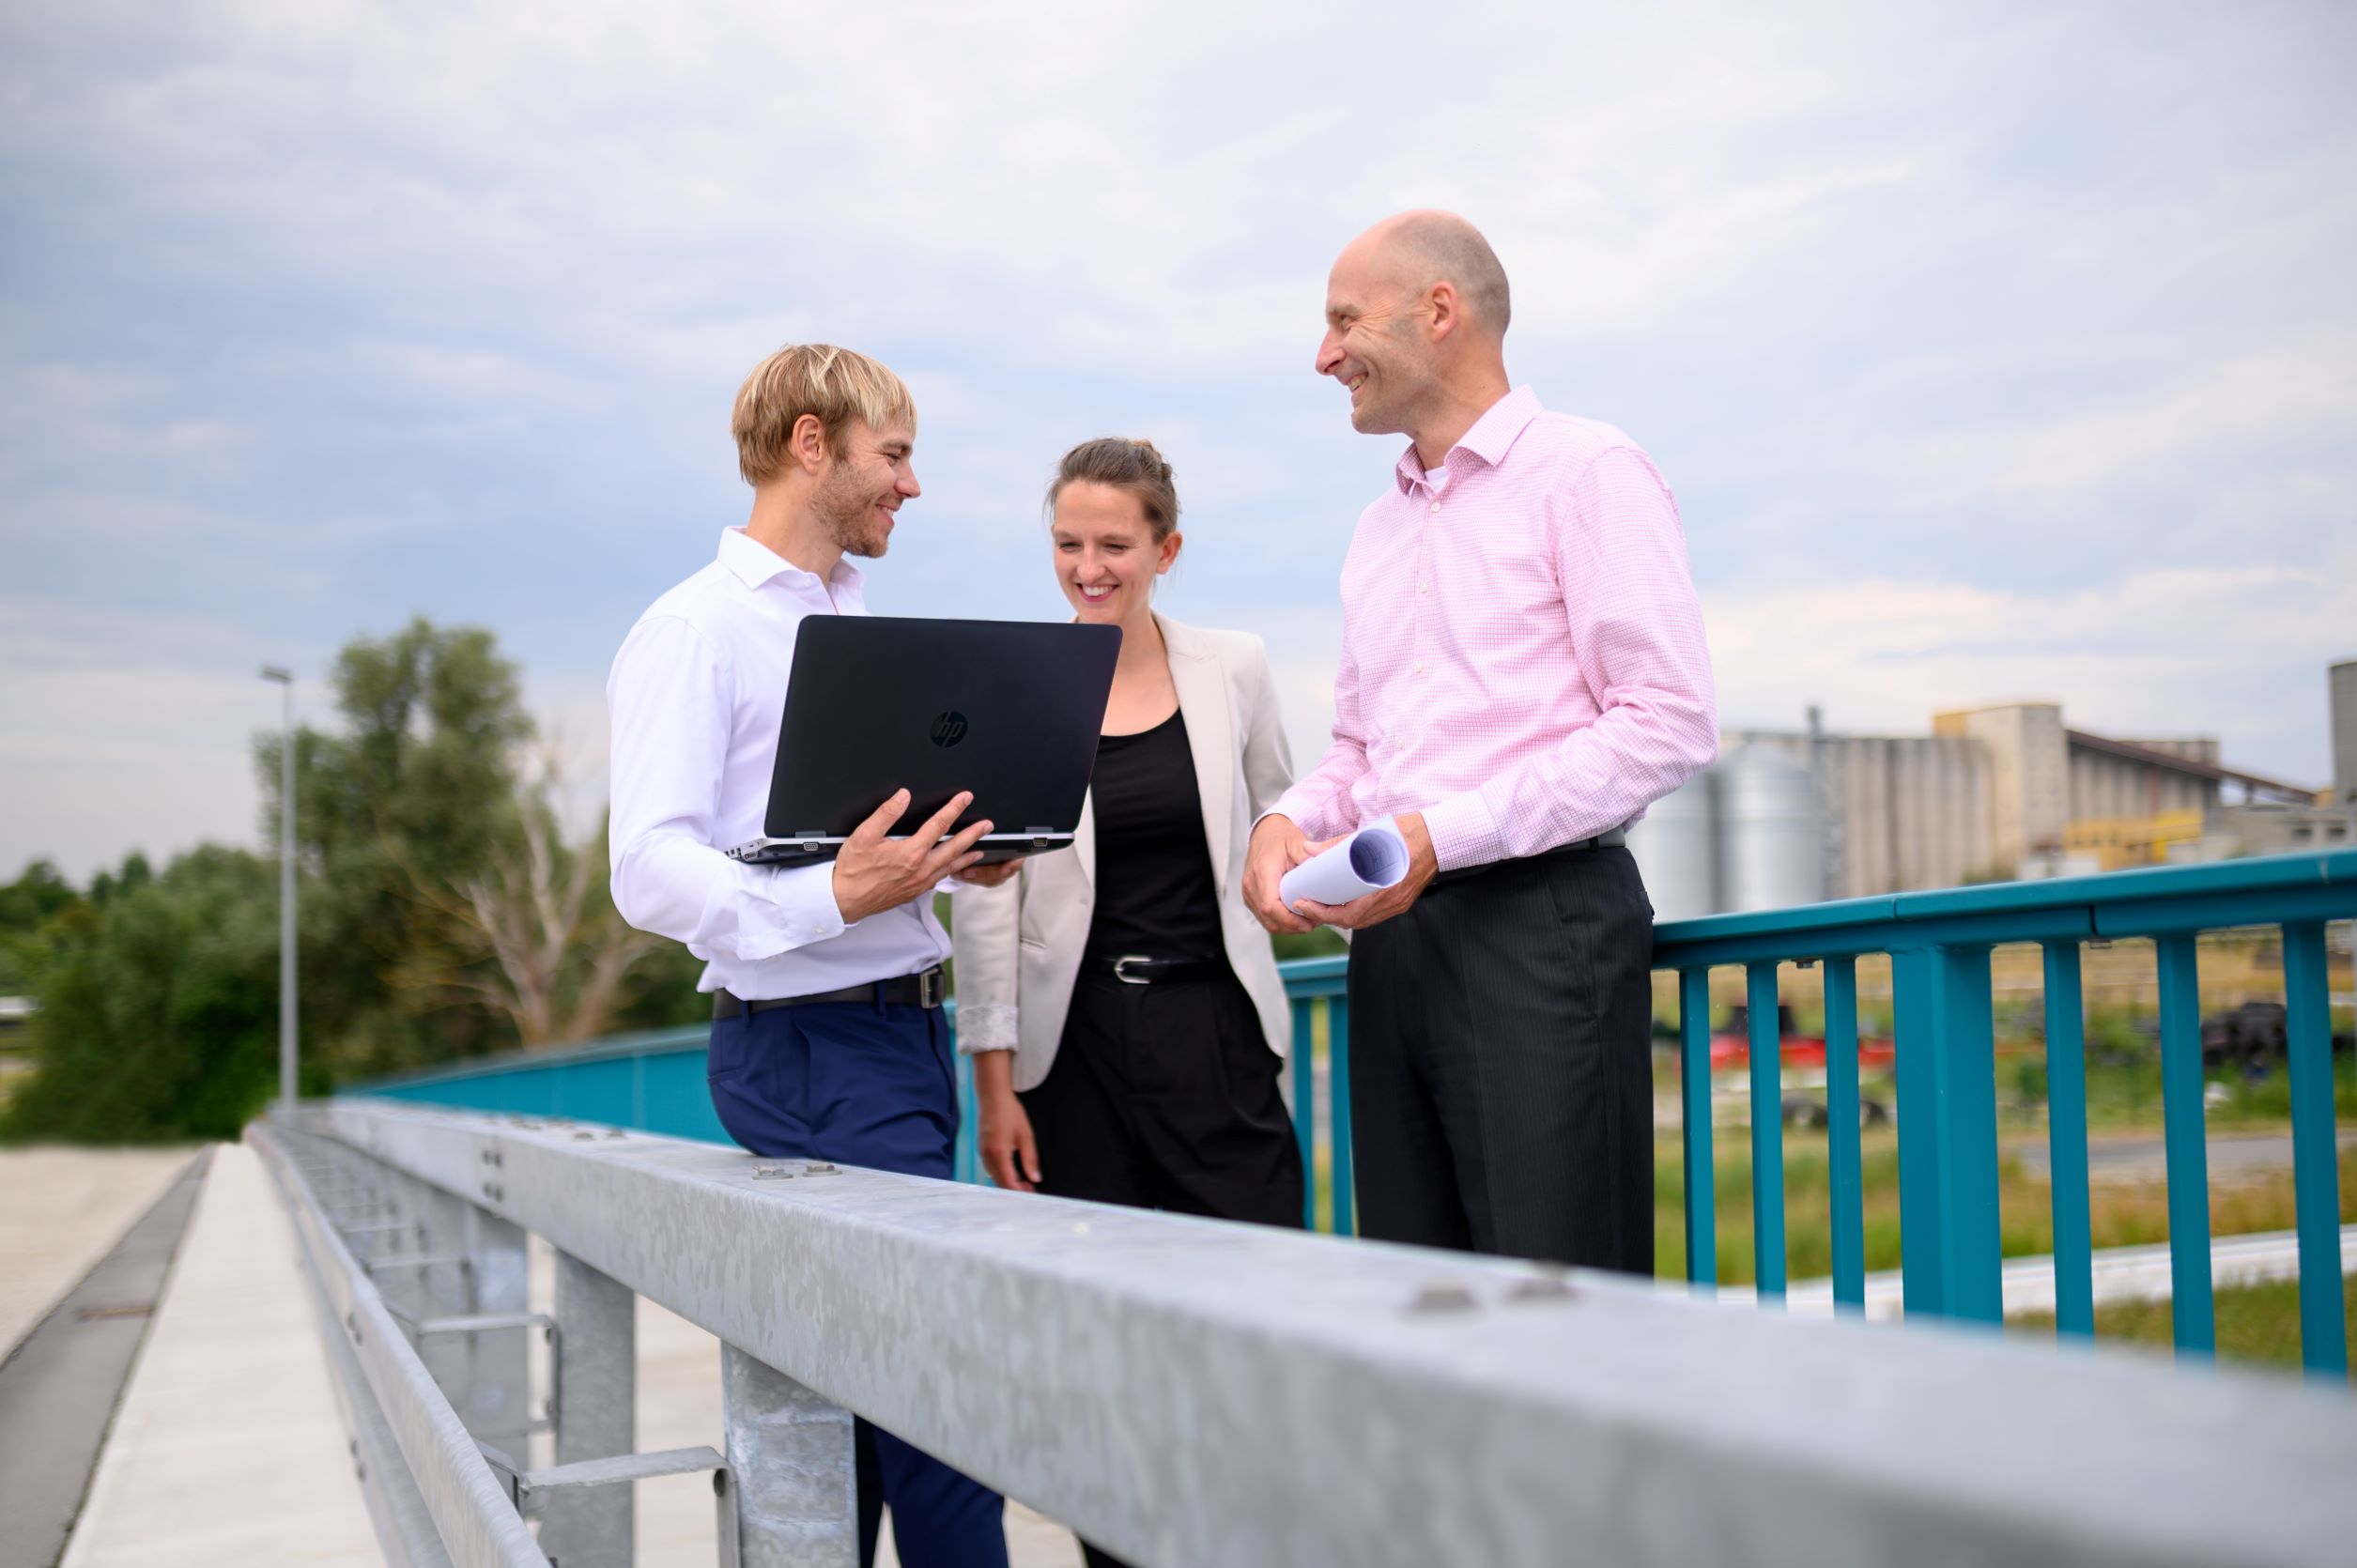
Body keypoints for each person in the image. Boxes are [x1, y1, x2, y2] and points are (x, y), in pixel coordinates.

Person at [1242, 212, 1718, 1276]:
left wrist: (1437, 836)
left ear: (1438, 312)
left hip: (1538, 930)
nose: (1323, 355)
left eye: (1343, 321)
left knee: (1559, 1301)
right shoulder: (1377, 527)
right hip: (1391, 945)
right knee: (1421, 1303)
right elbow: (1361, 748)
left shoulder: (1588, 471)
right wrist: (1284, 819)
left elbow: (1667, 718)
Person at [606, 343, 1015, 1568]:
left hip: (900, 1036)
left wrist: (950, 853)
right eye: (894, 455)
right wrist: (833, 897)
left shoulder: (852, 618)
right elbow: (647, 867)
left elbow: (851, 836)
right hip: (813, 1044)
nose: (911, 484)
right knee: (937, 1416)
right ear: (809, 444)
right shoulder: (694, 628)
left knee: (865, 1425)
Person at [952, 438, 1303, 1235]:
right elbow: (984, 907)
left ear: (1164, 550)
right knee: (1085, 1291)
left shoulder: (1236, 666)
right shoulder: (1014, 689)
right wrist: (995, 1091)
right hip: (1071, 1048)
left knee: (1258, 1276)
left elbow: (1280, 817)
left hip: (1217, 1030)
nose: (1089, 568)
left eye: (1114, 545)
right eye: (1068, 544)